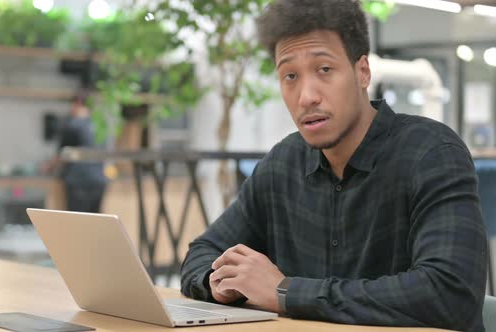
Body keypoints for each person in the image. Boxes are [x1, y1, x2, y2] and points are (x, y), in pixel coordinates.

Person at [180, 0, 488, 331]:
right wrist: (221, 282)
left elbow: (449, 293)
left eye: (324, 69)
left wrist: (285, 291)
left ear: (363, 72)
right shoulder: (282, 164)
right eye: (290, 76)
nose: (306, 96)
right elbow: (202, 254)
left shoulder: (431, 153)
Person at [42, 91, 107, 213]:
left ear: (77, 103)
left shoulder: (72, 125)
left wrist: (47, 167)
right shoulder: (100, 125)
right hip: (99, 180)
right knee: (94, 220)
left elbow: (62, 154)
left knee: (76, 220)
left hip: (79, 181)